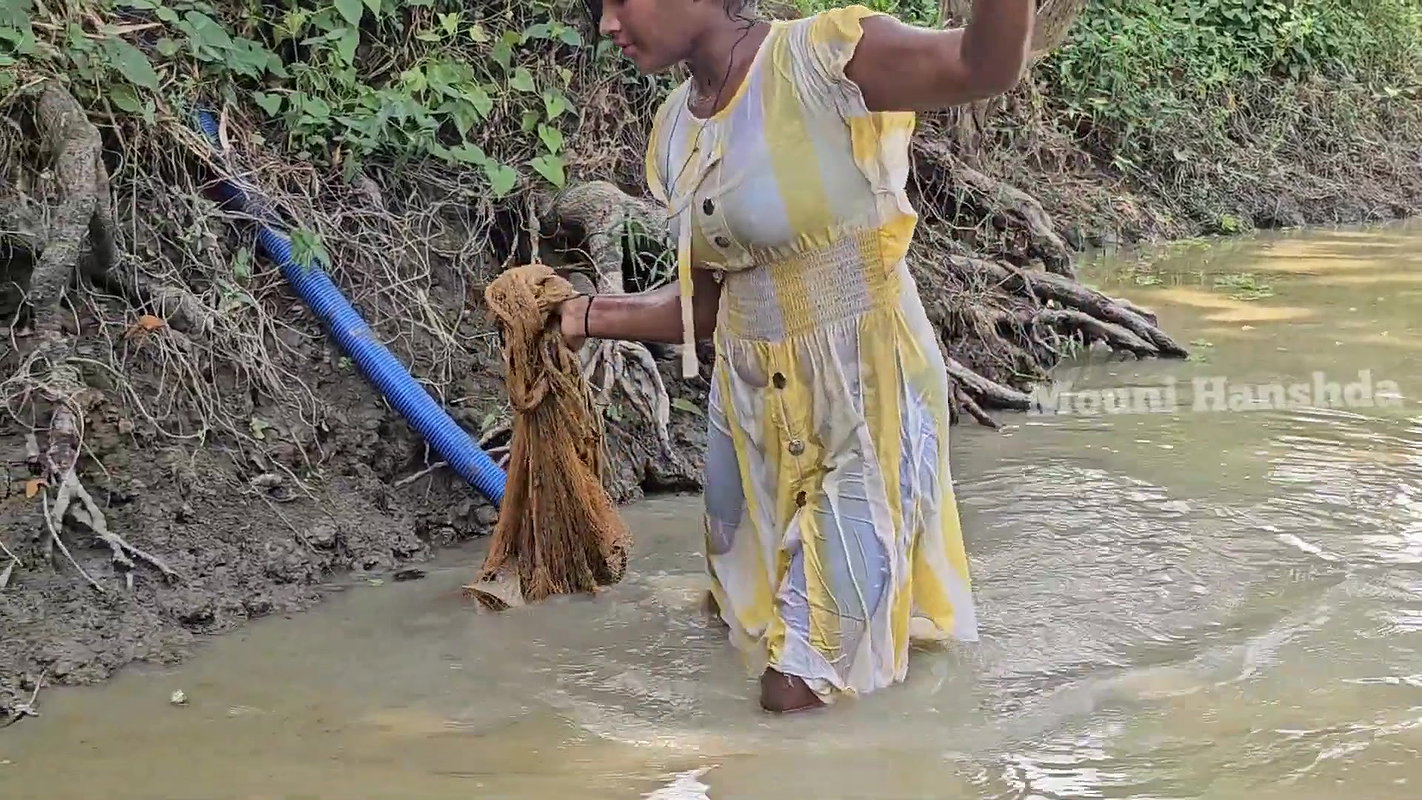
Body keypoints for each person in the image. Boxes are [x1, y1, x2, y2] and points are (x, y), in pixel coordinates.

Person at [562, 0, 1034, 713]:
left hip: (862, 401)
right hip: (747, 418)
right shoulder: (675, 130)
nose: (606, 25)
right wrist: (586, 315)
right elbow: (710, 303)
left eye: (619, 1)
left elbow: (982, 66)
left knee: (798, 687)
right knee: (734, 628)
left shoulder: (825, 58)